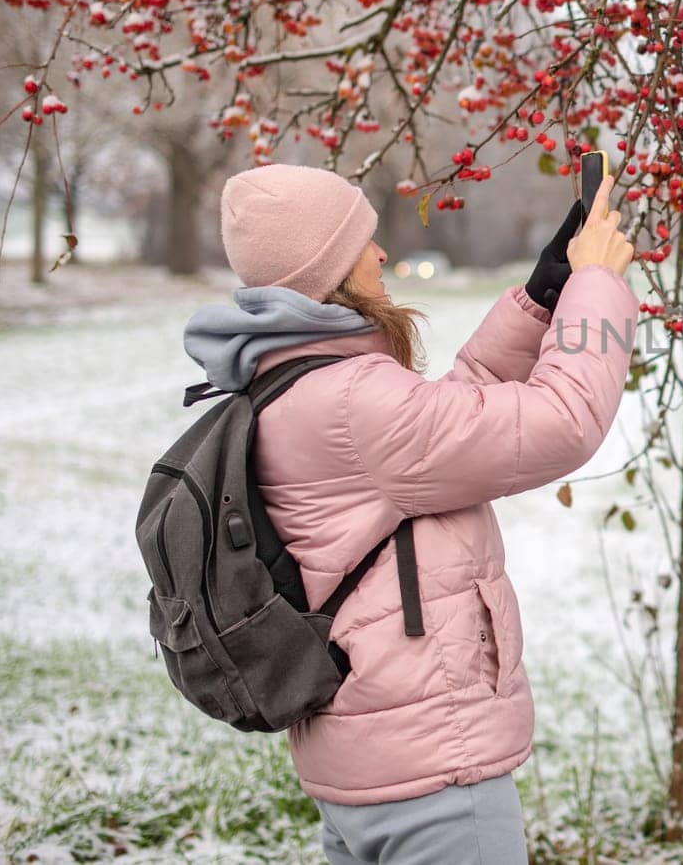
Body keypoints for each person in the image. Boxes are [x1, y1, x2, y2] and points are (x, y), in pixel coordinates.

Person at [183, 163, 638, 864]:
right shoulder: (353, 402)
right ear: (327, 268)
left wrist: (544, 298)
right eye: (364, 241)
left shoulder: (295, 380)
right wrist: (599, 285)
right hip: (434, 781)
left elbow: (450, 420)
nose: (383, 254)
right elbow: (561, 422)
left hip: (366, 762)